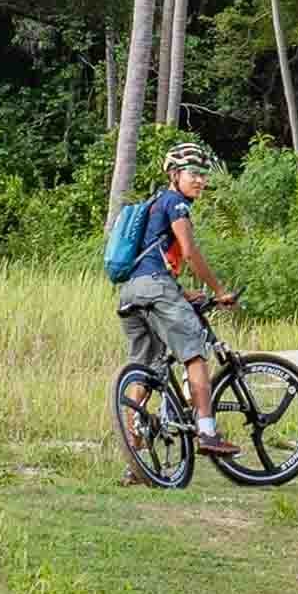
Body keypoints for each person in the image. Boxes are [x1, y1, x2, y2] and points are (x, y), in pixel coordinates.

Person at [112, 141, 243, 469]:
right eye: (193, 174)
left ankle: (135, 460)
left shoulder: (156, 203)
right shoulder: (175, 204)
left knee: (146, 371)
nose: (200, 180)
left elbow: (154, 260)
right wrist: (219, 290)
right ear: (174, 174)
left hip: (132, 293)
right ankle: (207, 432)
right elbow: (189, 252)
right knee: (195, 354)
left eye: (203, 174)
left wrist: (181, 293)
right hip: (155, 289)